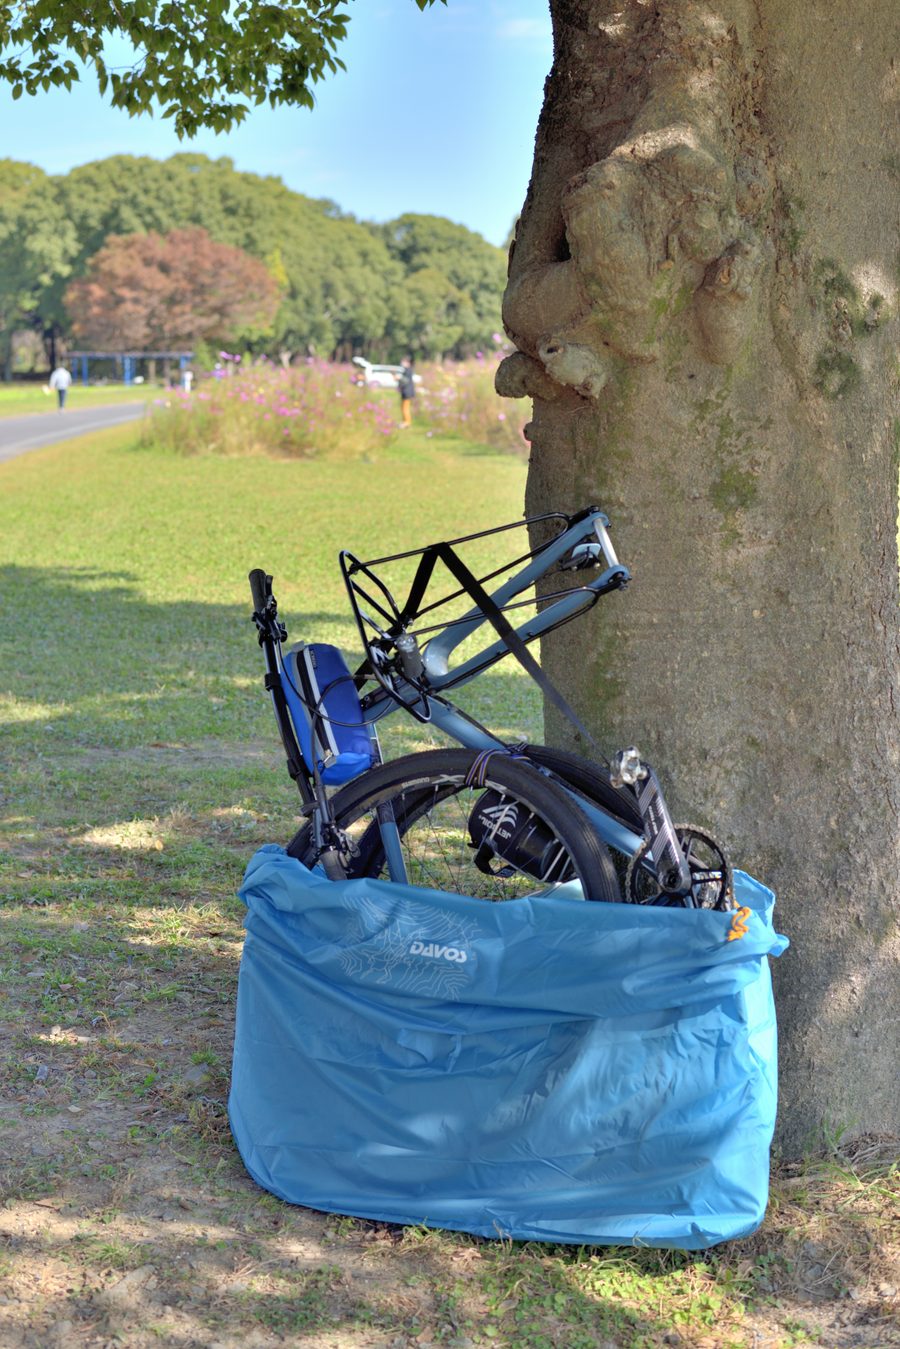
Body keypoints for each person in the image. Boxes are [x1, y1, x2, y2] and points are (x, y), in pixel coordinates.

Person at [396, 356, 416, 428]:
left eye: (403, 361)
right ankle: (404, 421)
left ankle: (407, 422)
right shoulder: (407, 370)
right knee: (403, 407)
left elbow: (406, 381)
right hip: (406, 392)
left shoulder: (408, 370)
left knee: (405, 408)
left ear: (408, 363)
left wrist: (399, 378)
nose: (402, 363)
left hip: (407, 392)